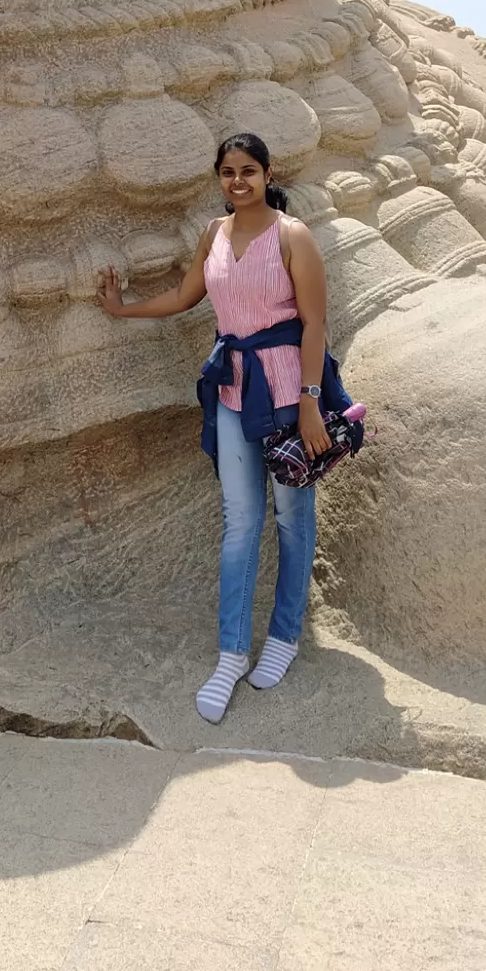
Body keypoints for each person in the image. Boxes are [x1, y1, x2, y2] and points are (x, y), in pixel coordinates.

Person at [96, 131, 348, 724]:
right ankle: (231, 653)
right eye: (228, 172)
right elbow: (187, 297)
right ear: (220, 177)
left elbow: (315, 325)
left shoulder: (293, 236)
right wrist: (122, 308)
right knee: (241, 521)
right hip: (234, 388)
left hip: (288, 390)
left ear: (267, 174)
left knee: (292, 515)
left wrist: (311, 403)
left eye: (249, 171)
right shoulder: (213, 233)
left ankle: (284, 636)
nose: (238, 181)